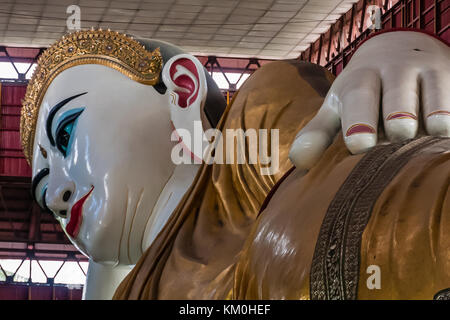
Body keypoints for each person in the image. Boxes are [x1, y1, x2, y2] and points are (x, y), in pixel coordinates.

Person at [21, 28, 449, 299]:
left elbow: (372, 196)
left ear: (183, 90)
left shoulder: (252, 133)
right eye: (45, 195)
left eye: (65, 135)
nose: (57, 196)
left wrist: (396, 59)